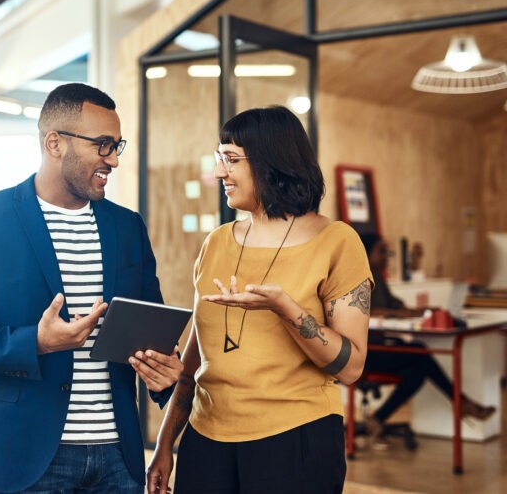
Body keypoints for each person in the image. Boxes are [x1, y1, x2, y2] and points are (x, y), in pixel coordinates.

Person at [0, 82, 183, 493]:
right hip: (23, 456)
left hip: (118, 458)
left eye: (118, 146)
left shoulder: (127, 226)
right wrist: (37, 342)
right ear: (54, 143)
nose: (113, 160)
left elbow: (150, 330)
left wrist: (165, 372)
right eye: (103, 145)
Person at [147, 106, 374, 494]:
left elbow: (351, 367)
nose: (220, 172)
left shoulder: (337, 242)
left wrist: (285, 309)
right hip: (207, 439)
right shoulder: (216, 242)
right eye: (220, 159)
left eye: (231, 160)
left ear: (272, 163)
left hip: (296, 440)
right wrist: (165, 444)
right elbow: (195, 358)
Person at [359, 233, 495, 448]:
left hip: (382, 346)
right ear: (366, 253)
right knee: (420, 352)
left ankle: (377, 419)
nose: (387, 256)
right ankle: (460, 402)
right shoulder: (358, 277)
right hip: (366, 353)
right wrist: (397, 314)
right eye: (381, 251)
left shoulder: (378, 277)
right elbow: (366, 311)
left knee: (417, 372)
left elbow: (396, 306)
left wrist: (420, 311)